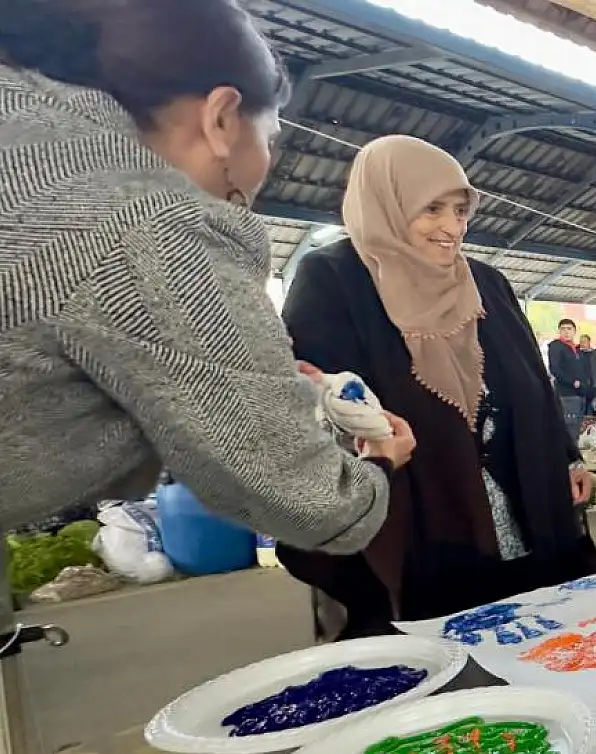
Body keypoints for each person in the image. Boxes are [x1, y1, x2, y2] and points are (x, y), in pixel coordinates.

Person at [0, 0, 413, 548]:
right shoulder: (151, 218)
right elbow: (314, 502)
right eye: (269, 143)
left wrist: (239, 373)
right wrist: (379, 464)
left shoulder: (30, 137)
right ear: (221, 118)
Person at [279, 135, 596, 637]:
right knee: (437, 664)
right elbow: (316, 400)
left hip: (516, 510)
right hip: (421, 515)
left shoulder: (487, 283)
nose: (452, 228)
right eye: (432, 209)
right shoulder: (333, 279)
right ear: (390, 202)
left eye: (460, 210)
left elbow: (533, 382)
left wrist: (565, 454)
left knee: (532, 641)